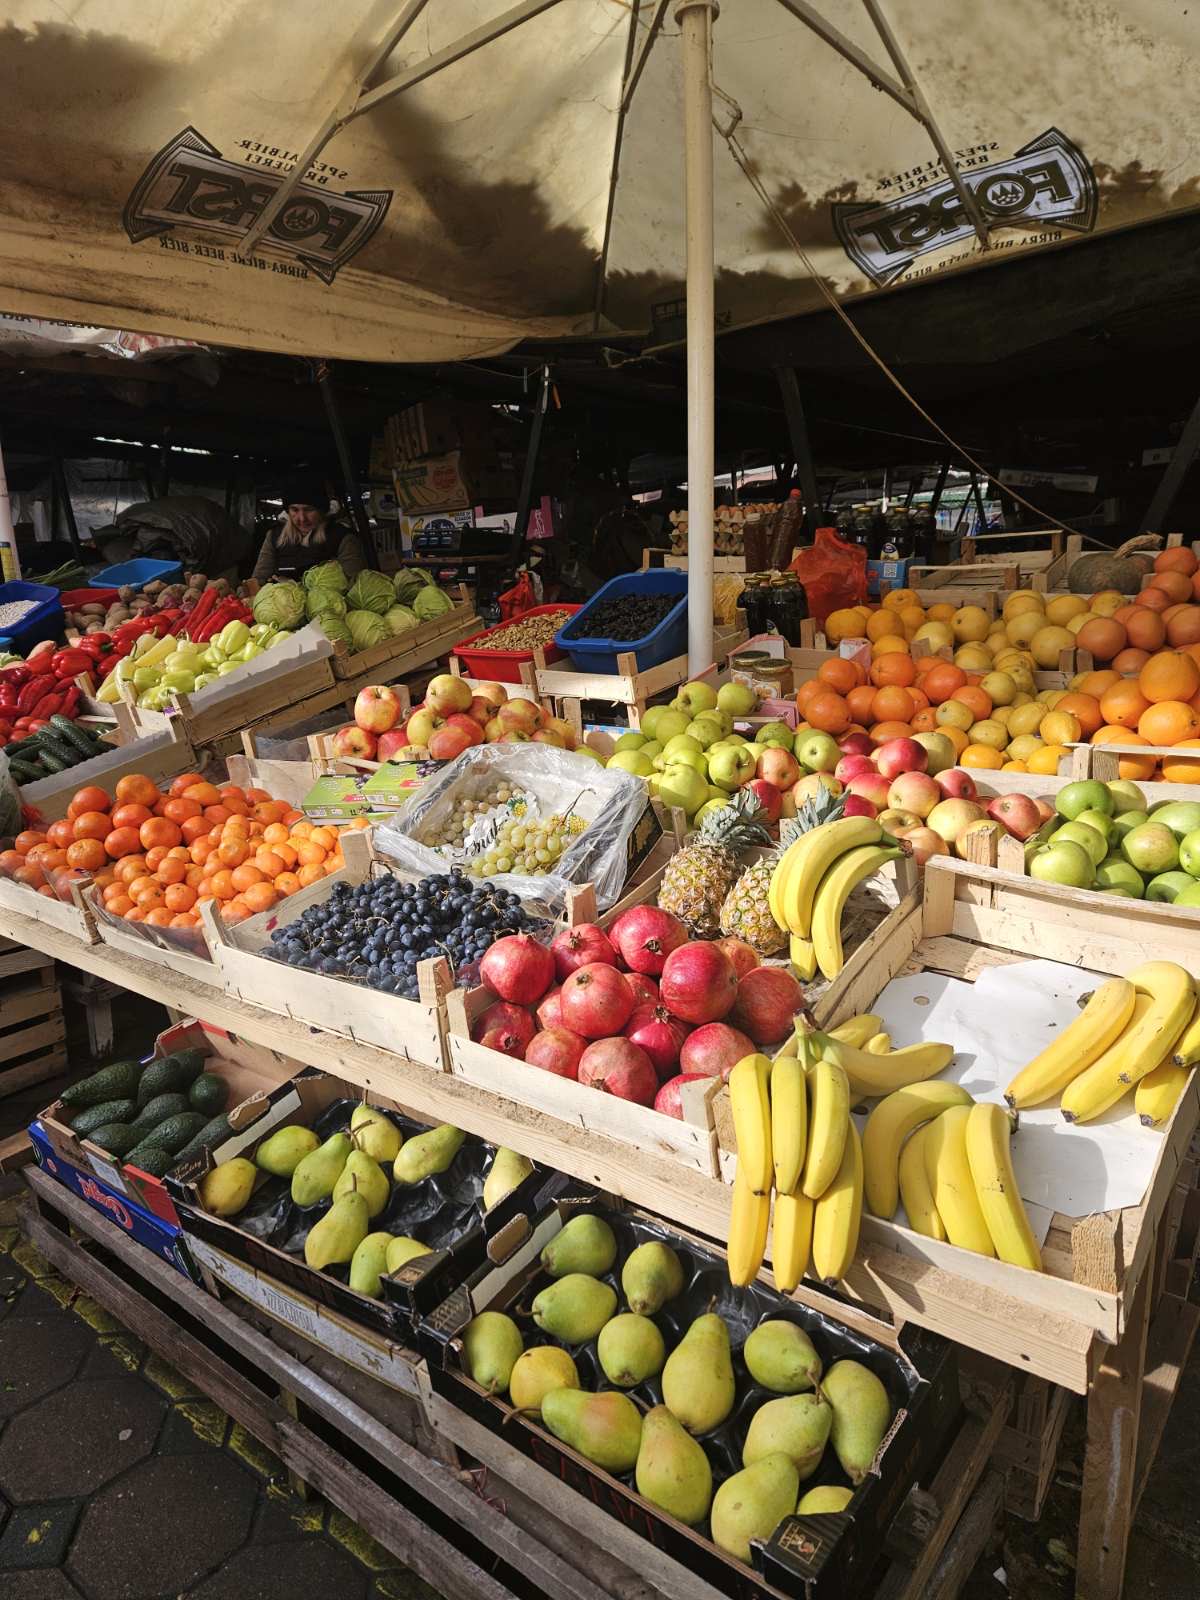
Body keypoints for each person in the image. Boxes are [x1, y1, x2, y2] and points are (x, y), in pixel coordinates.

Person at [251, 477, 366, 584]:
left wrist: (295, 587)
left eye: (309, 510)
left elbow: (354, 584)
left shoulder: (342, 538)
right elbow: (258, 579)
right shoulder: (274, 536)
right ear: (287, 511)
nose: (302, 518)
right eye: (294, 510)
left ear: (321, 510)